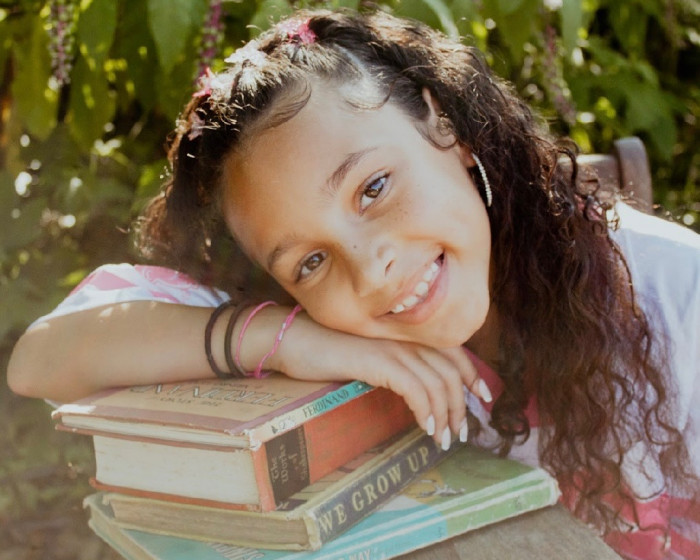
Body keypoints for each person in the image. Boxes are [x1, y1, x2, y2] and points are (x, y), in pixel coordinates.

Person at [7, 9, 699, 559]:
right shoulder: (316, 324)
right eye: (309, 262)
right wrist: (294, 342)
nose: (370, 272)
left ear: (446, 127)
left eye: (373, 189)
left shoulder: (676, 296)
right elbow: (39, 361)